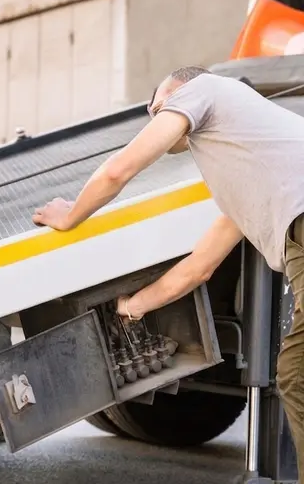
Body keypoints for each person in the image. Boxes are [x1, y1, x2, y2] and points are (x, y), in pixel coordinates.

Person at [32, 66, 304, 473]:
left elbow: (119, 169)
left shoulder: (206, 89)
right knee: (296, 373)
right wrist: (133, 306)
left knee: (297, 375)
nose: (154, 115)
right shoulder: (251, 173)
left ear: (180, 90)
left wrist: (71, 214)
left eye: (157, 107)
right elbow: (199, 267)